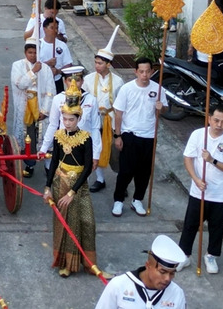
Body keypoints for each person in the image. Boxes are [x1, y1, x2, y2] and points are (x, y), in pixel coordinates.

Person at [43, 80, 100, 278]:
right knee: (67, 225)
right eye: (65, 119)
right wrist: (47, 187)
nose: (67, 123)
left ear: (78, 119)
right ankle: (66, 264)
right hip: (61, 182)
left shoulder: (86, 138)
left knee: (87, 222)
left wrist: (72, 192)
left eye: (71, 120)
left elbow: (86, 170)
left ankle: (90, 263)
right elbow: (55, 162)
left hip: (78, 186)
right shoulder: (59, 136)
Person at [176, 105, 223, 275]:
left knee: (216, 227)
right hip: (199, 191)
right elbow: (188, 158)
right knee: (190, 224)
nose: (219, 125)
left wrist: (212, 161)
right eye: (216, 120)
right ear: (209, 118)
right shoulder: (198, 135)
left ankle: (211, 255)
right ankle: (184, 254)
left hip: (220, 193)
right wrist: (196, 179)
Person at [112, 58, 167, 218]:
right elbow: (118, 113)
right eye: (141, 71)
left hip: (149, 135)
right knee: (126, 170)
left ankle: (138, 199)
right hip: (130, 134)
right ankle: (118, 199)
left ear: (151, 72)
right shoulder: (126, 89)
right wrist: (118, 135)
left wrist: (160, 107)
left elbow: (162, 111)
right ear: (136, 72)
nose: (144, 75)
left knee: (144, 171)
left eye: (147, 71)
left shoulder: (158, 89)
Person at [94, 235, 188, 309]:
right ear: (148, 265)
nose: (168, 278)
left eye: (172, 273)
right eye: (162, 272)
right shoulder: (118, 286)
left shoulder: (176, 294)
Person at [82, 27, 124, 193]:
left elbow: (121, 105)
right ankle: (100, 179)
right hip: (94, 120)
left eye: (100, 63)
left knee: (116, 152)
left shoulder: (119, 81)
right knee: (95, 148)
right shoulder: (88, 79)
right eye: (96, 62)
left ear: (109, 64)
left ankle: (122, 180)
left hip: (111, 119)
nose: (96, 66)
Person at [10, 38, 54, 178]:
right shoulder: (17, 66)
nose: (33, 55)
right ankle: (29, 164)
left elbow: (50, 91)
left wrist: (45, 110)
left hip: (41, 107)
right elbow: (20, 84)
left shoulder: (46, 69)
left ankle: (48, 165)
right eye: (30, 52)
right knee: (28, 136)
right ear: (25, 52)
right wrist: (33, 72)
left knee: (45, 136)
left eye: (35, 53)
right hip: (25, 107)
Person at [38, 18, 73, 93]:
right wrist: (47, 64)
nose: (55, 31)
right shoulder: (38, 44)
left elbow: (68, 64)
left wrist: (58, 71)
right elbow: (33, 64)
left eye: (56, 28)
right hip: (41, 80)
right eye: (52, 28)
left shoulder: (62, 45)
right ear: (44, 29)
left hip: (57, 81)